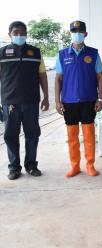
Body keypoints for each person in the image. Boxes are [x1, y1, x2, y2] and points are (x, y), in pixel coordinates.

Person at [0, 21, 49, 180]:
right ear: (9, 34)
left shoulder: (35, 52)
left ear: (27, 34)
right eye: (16, 32)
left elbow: (42, 76)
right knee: (11, 135)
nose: (19, 35)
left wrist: (46, 97)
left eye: (22, 32)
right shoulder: (2, 53)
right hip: (10, 103)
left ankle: (31, 165)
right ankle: (14, 168)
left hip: (31, 102)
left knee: (32, 134)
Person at [55, 20, 102, 177]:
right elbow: (58, 79)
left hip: (89, 100)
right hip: (69, 102)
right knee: (72, 136)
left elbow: (99, 77)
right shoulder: (62, 55)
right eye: (74, 31)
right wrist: (57, 100)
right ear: (70, 33)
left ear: (85, 34)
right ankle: (75, 166)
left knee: (89, 135)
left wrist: (100, 98)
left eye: (80, 31)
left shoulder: (93, 53)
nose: (77, 34)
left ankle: (90, 165)